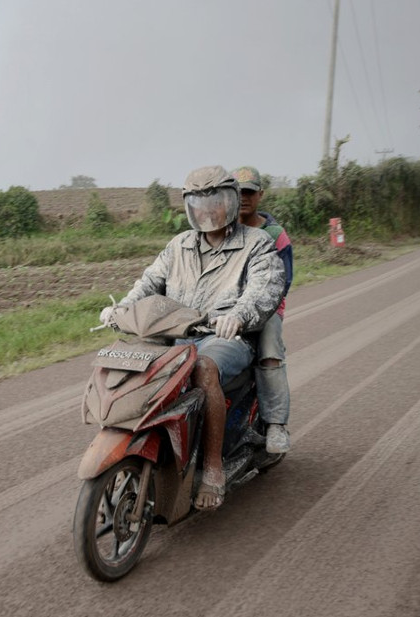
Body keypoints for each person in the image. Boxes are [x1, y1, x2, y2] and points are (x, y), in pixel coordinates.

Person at [100, 165, 285, 510]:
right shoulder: (178, 245)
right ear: (189, 207)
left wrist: (240, 316)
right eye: (199, 202)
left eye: (215, 201)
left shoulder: (257, 244)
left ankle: (213, 468)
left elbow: (265, 288)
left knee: (203, 368)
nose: (207, 210)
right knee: (135, 361)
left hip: (225, 338)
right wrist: (121, 309)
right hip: (175, 336)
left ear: (230, 203)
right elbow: (149, 282)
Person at [230, 166, 293, 453]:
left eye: (250, 192)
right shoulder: (224, 228)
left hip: (265, 310)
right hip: (225, 306)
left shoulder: (275, 234)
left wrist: (254, 308)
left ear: (260, 195)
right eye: (239, 192)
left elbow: (283, 282)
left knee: (269, 352)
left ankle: (276, 424)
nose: (244, 197)